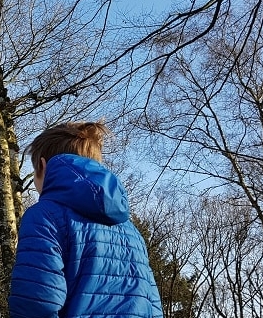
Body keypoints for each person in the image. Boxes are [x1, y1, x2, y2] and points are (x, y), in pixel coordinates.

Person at [9, 121, 163, 318]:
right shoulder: (130, 230)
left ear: (43, 165)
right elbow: (153, 306)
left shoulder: (44, 216)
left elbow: (36, 303)